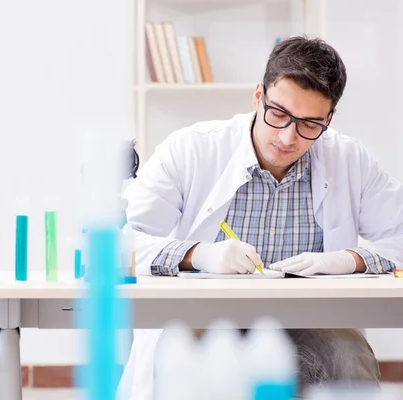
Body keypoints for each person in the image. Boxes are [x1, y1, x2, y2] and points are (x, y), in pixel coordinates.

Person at [118, 36, 403, 399]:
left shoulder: (350, 160)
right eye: (279, 115)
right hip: (205, 316)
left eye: (310, 124)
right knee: (181, 355)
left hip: (309, 320)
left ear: (330, 118)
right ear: (258, 96)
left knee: (347, 353)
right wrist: (197, 254)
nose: (288, 137)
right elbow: (123, 239)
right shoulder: (192, 148)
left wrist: (351, 259)